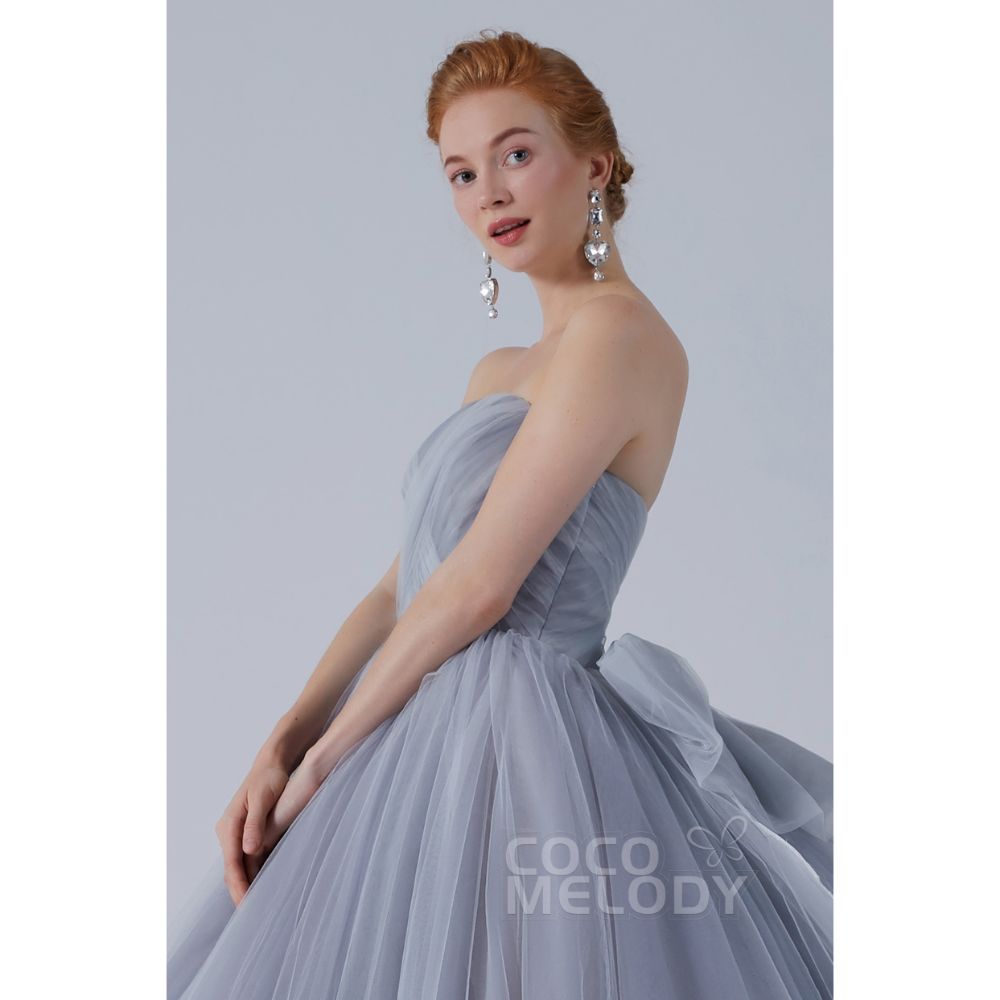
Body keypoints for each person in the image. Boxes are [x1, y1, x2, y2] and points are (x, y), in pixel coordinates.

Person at [168, 29, 833, 1000]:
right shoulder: (497, 372)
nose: (488, 194)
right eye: (461, 173)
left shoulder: (620, 335)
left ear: (594, 164)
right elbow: (403, 584)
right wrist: (286, 736)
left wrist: (321, 765)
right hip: (419, 731)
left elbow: (480, 585)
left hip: (531, 745)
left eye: (516, 154)